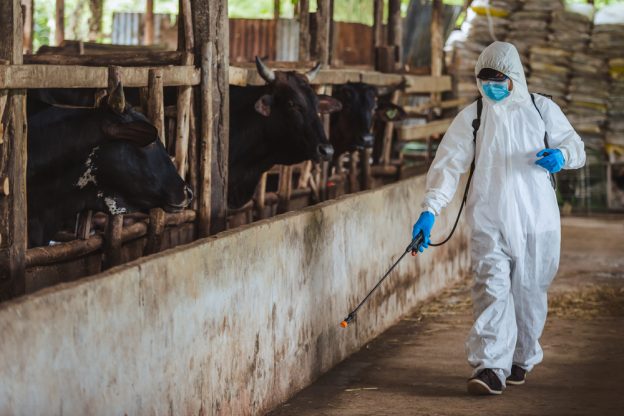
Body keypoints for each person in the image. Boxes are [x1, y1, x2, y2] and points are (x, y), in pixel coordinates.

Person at [411, 41, 585, 395]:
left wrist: (562, 156)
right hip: (489, 220)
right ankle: (490, 367)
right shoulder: (473, 116)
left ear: (514, 78)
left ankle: (521, 357)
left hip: (538, 222)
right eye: (485, 79)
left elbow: (576, 146)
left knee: (530, 293)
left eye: (498, 79)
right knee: (491, 289)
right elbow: (448, 165)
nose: (491, 86)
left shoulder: (541, 108)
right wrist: (429, 211)